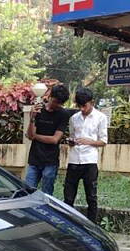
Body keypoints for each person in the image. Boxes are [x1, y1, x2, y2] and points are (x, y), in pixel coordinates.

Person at [64, 87, 108, 224]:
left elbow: (103, 141)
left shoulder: (101, 118)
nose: (82, 109)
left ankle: (92, 225)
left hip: (89, 161)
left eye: (85, 105)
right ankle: (68, 224)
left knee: (91, 197)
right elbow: (71, 137)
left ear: (92, 102)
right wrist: (71, 142)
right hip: (73, 160)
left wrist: (89, 141)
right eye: (79, 106)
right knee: (69, 197)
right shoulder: (73, 118)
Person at [24, 84, 70, 195]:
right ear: (49, 96)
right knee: (27, 191)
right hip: (34, 159)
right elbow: (30, 135)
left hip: (50, 161)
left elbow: (55, 139)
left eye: (60, 103)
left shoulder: (63, 114)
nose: (57, 105)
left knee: (47, 193)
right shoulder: (38, 110)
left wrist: (35, 136)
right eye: (55, 101)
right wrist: (32, 118)